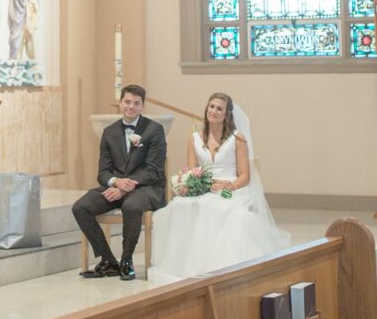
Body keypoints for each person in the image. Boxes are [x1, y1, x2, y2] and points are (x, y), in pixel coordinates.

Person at [151, 92, 290, 278]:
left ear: (227, 114)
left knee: (224, 210)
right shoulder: (194, 139)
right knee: (179, 206)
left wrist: (229, 186)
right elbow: (193, 171)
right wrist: (200, 184)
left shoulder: (237, 138)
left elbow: (245, 176)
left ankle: (223, 265)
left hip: (233, 187)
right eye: (211, 107)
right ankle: (190, 265)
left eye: (219, 109)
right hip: (205, 187)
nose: (214, 111)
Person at [72, 84, 167, 281]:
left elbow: (154, 170)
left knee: (131, 206)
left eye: (136, 103)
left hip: (147, 187)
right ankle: (108, 261)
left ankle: (126, 261)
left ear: (142, 106)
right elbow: (103, 172)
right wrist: (115, 182)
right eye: (127, 102)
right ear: (120, 103)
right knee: (81, 207)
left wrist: (125, 187)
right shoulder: (109, 132)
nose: (131, 107)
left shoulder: (154, 130)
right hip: (117, 187)